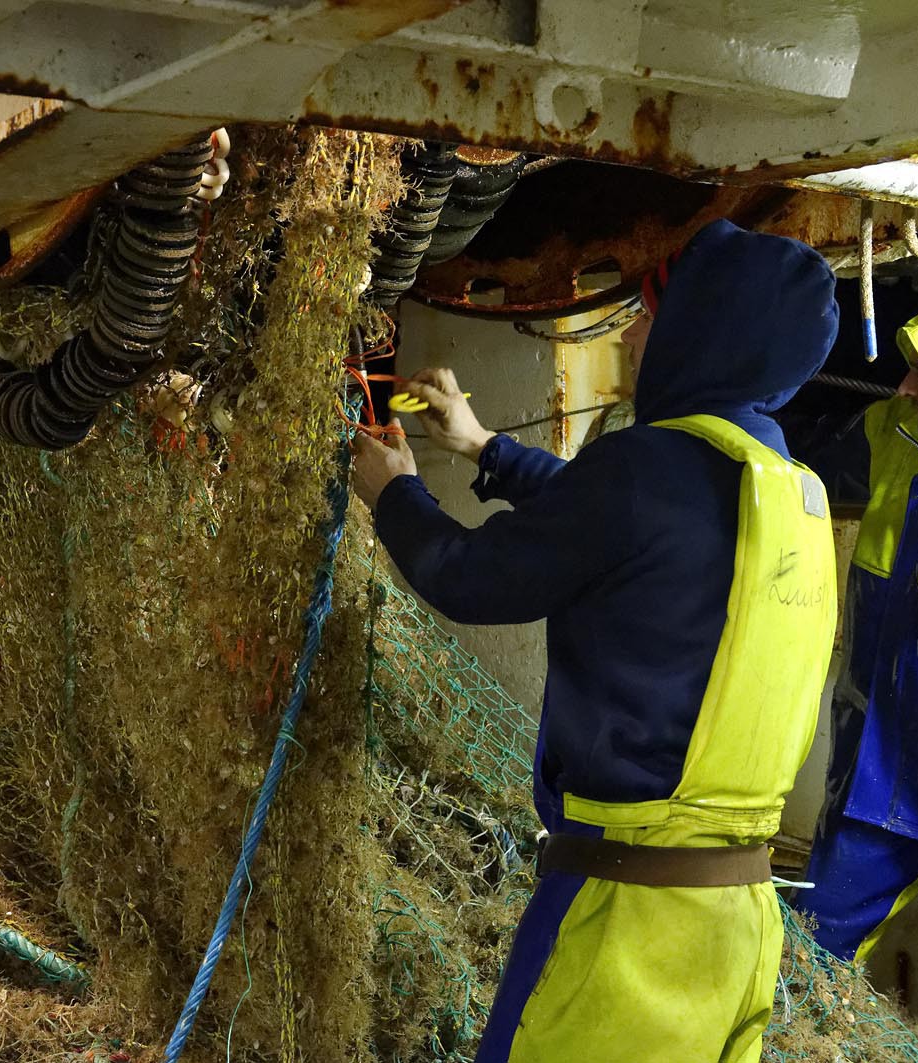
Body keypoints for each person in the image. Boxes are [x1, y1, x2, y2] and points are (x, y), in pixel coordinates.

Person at [350, 219, 839, 1062]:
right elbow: (613, 524)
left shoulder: (646, 469)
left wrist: (394, 493)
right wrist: (484, 448)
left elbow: (468, 577)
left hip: (624, 916)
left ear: (702, 327)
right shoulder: (789, 491)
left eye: (655, 312)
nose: (633, 329)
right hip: (738, 930)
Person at [792, 313, 918, 964]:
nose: (904, 386)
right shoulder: (895, 431)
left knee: (813, 949)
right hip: (871, 772)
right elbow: (806, 458)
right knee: (816, 942)